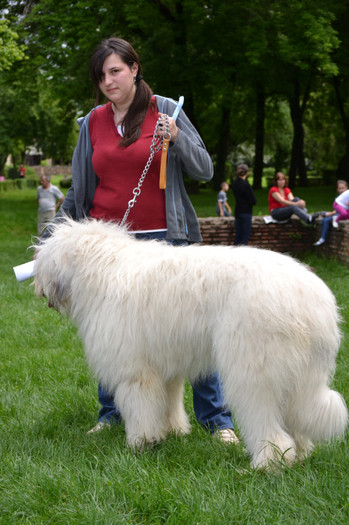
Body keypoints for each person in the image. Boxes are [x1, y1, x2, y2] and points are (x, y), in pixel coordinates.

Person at [41, 37, 238, 444]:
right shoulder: (92, 121)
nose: (108, 81)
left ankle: (216, 419)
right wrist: (51, 238)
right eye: (101, 75)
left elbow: (204, 169)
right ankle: (112, 412)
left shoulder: (166, 110)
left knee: (194, 328)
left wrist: (178, 138)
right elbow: (80, 189)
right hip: (105, 252)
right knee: (112, 334)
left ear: (134, 68)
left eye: (115, 71)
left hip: (166, 241)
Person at [314, 180, 348, 245]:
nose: (341, 190)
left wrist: (332, 213)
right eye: (339, 188)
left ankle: (322, 238)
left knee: (327, 218)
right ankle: (322, 238)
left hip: (343, 214)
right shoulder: (338, 198)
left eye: (343, 188)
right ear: (337, 189)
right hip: (338, 213)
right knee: (325, 219)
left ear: (347, 188)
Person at [232, 163, 257, 245]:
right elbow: (253, 200)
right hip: (246, 211)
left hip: (238, 210)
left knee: (238, 234)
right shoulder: (246, 184)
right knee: (245, 236)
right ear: (247, 172)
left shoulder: (235, 183)